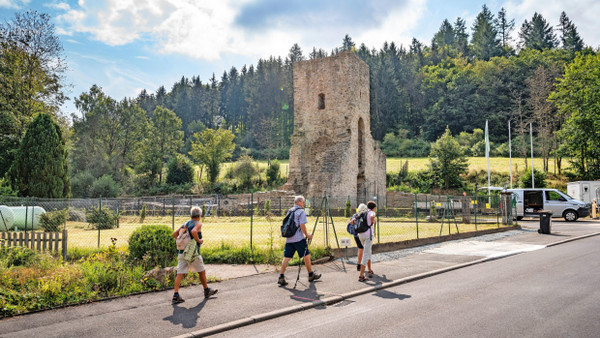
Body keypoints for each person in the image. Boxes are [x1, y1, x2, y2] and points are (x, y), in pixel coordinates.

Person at [171, 206, 218, 304]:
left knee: (180, 273)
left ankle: (176, 295)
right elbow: (194, 231)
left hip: (182, 252)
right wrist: (198, 240)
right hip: (193, 253)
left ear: (191, 215)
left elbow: (175, 234)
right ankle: (206, 290)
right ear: (199, 216)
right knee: (202, 272)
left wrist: (184, 241)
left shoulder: (185, 224)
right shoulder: (198, 224)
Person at [277, 195, 322, 286]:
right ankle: (310, 275)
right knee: (306, 255)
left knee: (287, 257)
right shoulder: (301, 212)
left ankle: (281, 277)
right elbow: (302, 225)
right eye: (303, 201)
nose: (304, 203)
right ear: (298, 202)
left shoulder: (290, 211)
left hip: (289, 239)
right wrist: (307, 235)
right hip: (299, 239)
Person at [357, 201, 377, 282]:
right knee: (366, 254)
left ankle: (369, 270)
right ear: (374, 208)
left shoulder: (363, 212)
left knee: (368, 252)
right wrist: (373, 221)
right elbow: (372, 216)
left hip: (360, 234)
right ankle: (361, 275)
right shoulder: (371, 212)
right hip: (368, 235)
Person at [349, 203, 370, 272]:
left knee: (360, 249)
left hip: (356, 234)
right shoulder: (365, 215)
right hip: (364, 234)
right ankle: (365, 267)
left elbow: (351, 223)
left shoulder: (355, 215)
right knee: (366, 251)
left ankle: (358, 265)